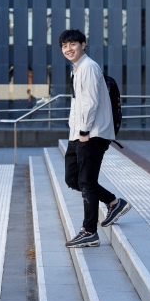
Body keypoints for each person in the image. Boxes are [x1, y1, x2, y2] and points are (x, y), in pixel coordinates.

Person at [59, 29, 131, 248]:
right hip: (79, 133)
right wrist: (75, 130)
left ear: (83, 44)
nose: (68, 49)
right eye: (64, 46)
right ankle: (113, 202)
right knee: (73, 178)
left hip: (91, 133)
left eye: (72, 44)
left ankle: (89, 231)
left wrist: (83, 131)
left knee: (87, 181)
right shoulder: (77, 69)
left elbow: (91, 103)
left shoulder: (89, 67)